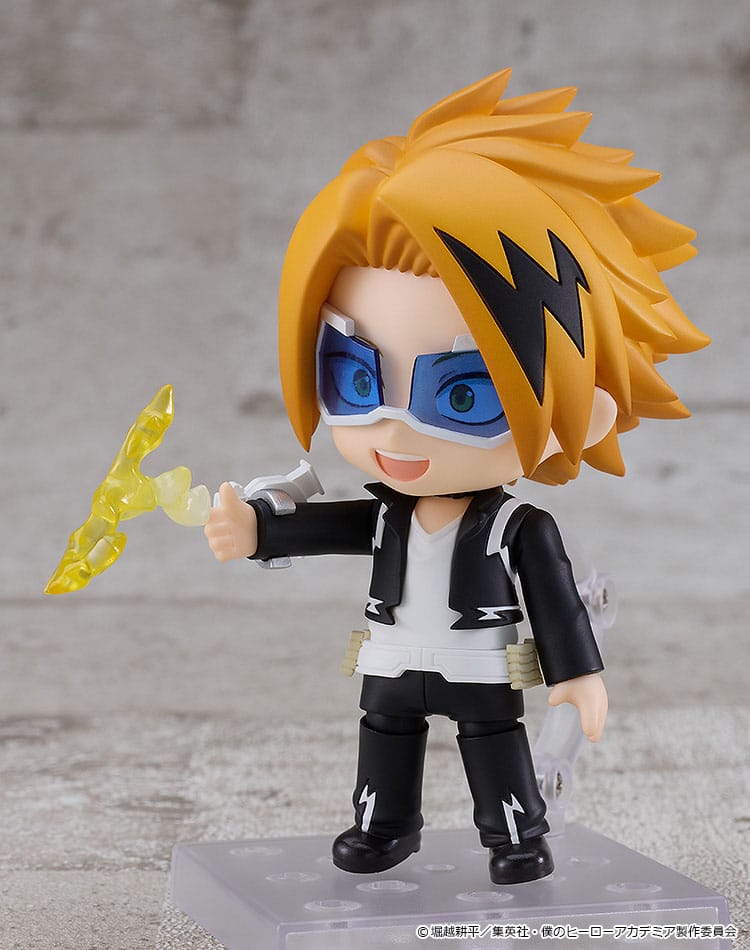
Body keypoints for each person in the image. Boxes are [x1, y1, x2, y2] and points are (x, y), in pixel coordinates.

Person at [204, 69, 708, 884]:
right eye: (357, 379)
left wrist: (578, 676)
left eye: (463, 395)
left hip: (480, 663)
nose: (397, 430)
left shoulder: (516, 527)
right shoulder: (387, 514)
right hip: (392, 656)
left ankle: (515, 836)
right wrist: (259, 529)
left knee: (494, 748)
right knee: (383, 742)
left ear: (588, 405)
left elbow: (557, 603)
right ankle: (384, 828)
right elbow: (328, 524)